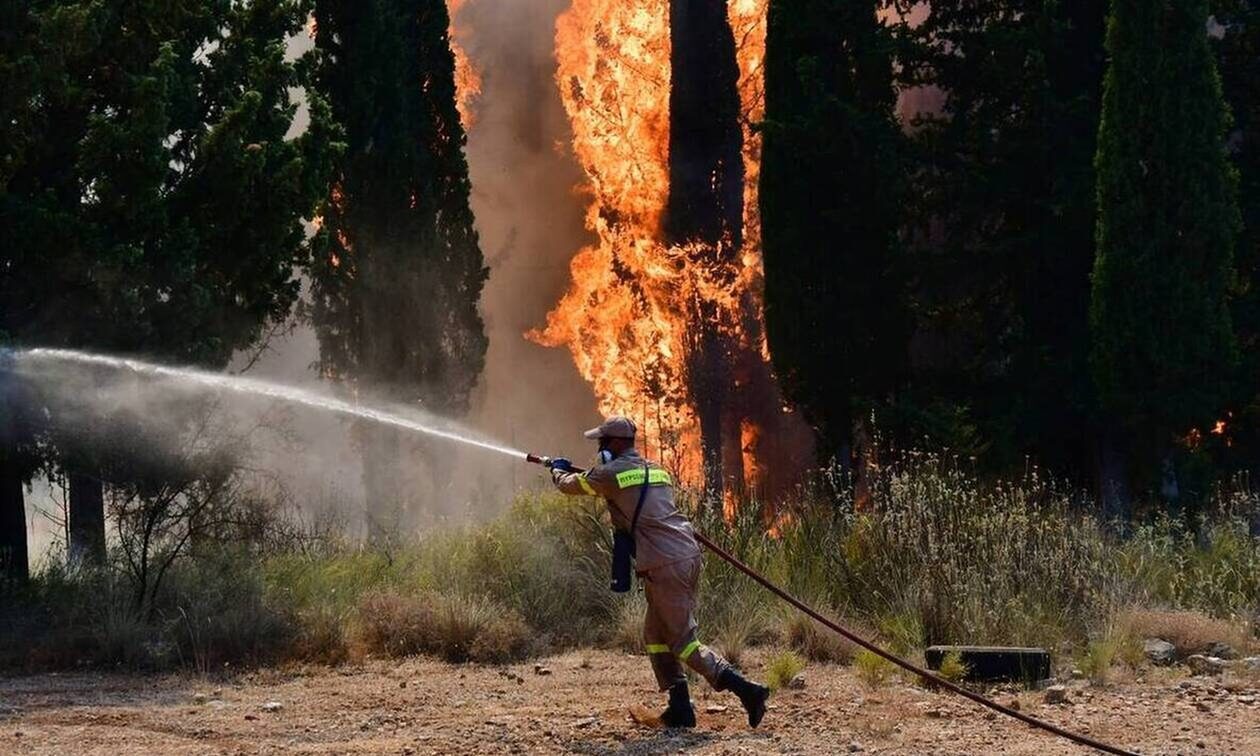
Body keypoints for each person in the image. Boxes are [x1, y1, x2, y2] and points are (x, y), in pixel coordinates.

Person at [549, 416, 770, 728]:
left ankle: (748, 691)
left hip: (664, 563)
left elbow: (572, 486)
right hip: (684, 554)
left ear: (612, 444)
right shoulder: (655, 469)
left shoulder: (612, 472)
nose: (598, 447)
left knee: (683, 642)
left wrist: (557, 470)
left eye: (600, 442)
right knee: (655, 634)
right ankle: (680, 707)